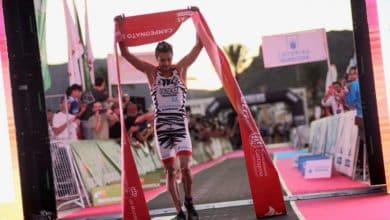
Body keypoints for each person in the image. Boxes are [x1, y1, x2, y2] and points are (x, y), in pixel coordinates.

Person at [116, 13, 203, 220]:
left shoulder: (180, 69)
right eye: (162, 60)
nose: (165, 63)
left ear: (172, 57)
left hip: (180, 127)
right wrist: (120, 26)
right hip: (162, 129)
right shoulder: (151, 72)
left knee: (186, 169)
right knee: (171, 171)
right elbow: (126, 54)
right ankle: (178, 210)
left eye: (168, 59)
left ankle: (189, 200)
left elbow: (199, 45)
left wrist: (197, 19)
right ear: (156, 59)